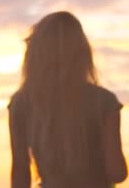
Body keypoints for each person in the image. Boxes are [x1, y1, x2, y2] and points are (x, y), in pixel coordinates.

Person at [8, 11, 127, 188]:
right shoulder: (104, 102)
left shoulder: (21, 104)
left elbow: (20, 173)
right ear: (82, 53)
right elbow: (117, 172)